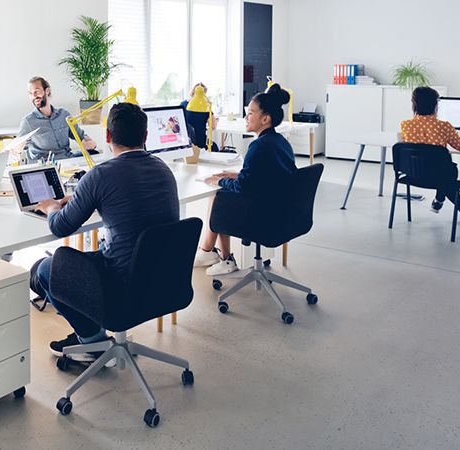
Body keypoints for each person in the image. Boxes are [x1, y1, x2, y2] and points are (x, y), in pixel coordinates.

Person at [31, 102, 179, 362]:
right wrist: (83, 198)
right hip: (162, 279)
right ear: (145, 137)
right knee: (91, 254)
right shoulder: (163, 170)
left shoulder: (100, 175)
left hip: (121, 283)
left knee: (45, 268)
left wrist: (54, 207)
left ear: (108, 136)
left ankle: (91, 341)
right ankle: (90, 337)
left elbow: (60, 227)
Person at [193, 84, 296, 276]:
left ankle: (220, 257)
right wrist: (237, 175)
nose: (245, 117)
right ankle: (209, 252)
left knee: (220, 196)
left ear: (265, 119)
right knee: (223, 191)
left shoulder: (258, 146)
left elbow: (242, 187)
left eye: (250, 113)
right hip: (284, 212)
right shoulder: (280, 142)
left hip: (264, 216)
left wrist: (220, 181)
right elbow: (269, 176)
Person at [400, 86, 460, 220]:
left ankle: (443, 202)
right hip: (439, 176)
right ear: (436, 105)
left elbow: (413, 148)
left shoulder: (406, 125)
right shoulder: (443, 126)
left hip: (413, 174)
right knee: (448, 174)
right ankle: (455, 206)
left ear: (414, 105)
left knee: (443, 172)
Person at [14, 76, 98, 162]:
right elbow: (17, 147)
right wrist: (17, 150)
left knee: (95, 155)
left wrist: (88, 142)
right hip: (47, 166)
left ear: (47, 91)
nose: (34, 96)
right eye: (31, 93)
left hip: (68, 161)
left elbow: (81, 136)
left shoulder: (64, 115)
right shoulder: (28, 122)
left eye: (37, 91)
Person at [180, 82, 220, 151]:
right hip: (201, 142)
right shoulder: (204, 106)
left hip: (186, 142)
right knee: (215, 147)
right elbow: (213, 125)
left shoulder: (183, 104)